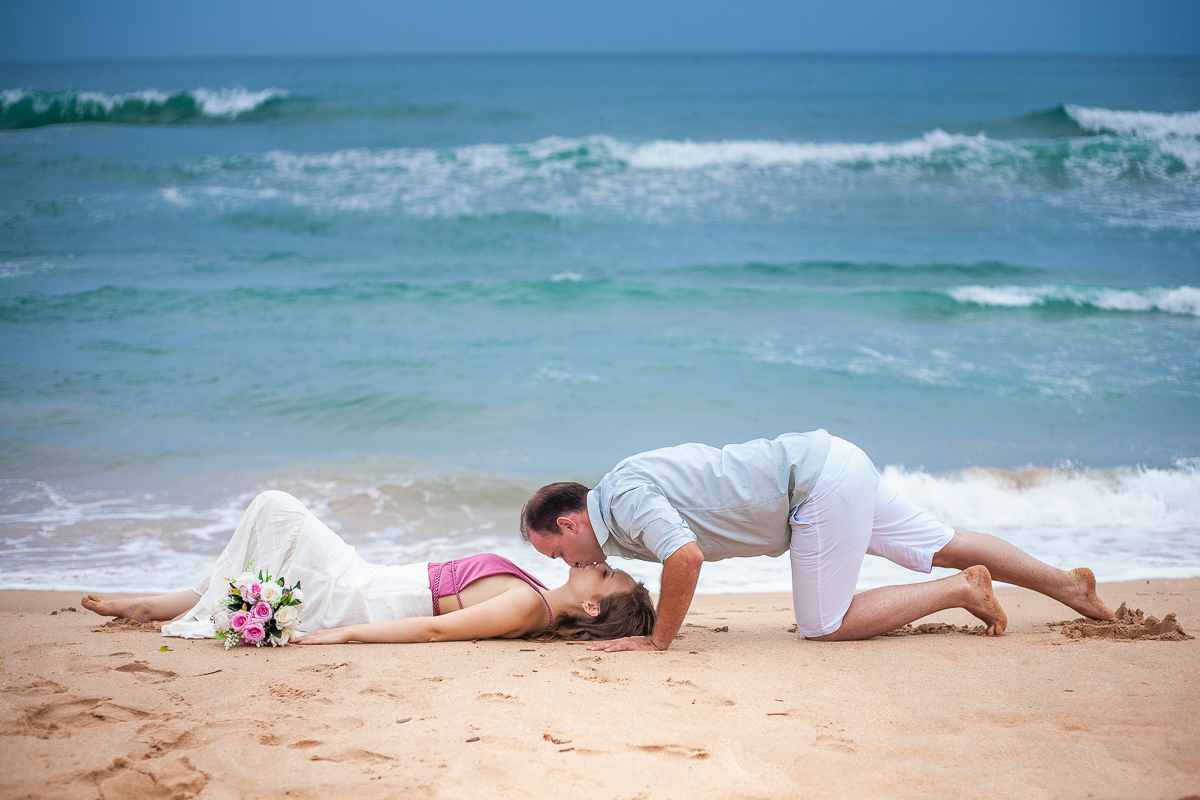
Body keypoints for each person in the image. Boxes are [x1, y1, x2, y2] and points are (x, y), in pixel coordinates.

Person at [520, 430, 1115, 652]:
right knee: (944, 541)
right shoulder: (620, 505)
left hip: (813, 491)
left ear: (570, 524)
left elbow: (687, 556)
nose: (568, 563)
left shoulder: (622, 497)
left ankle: (961, 591)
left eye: (555, 553)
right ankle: (1071, 587)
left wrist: (658, 640)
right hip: (832, 462)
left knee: (824, 625)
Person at [82, 490, 655, 645]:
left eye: (606, 576)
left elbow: (434, 629)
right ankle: (159, 604)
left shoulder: (530, 606)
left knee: (276, 507)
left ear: (590, 606)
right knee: (276, 551)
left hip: (368, 596)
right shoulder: (535, 600)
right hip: (374, 580)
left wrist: (349, 632)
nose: (602, 563)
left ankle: (160, 605)